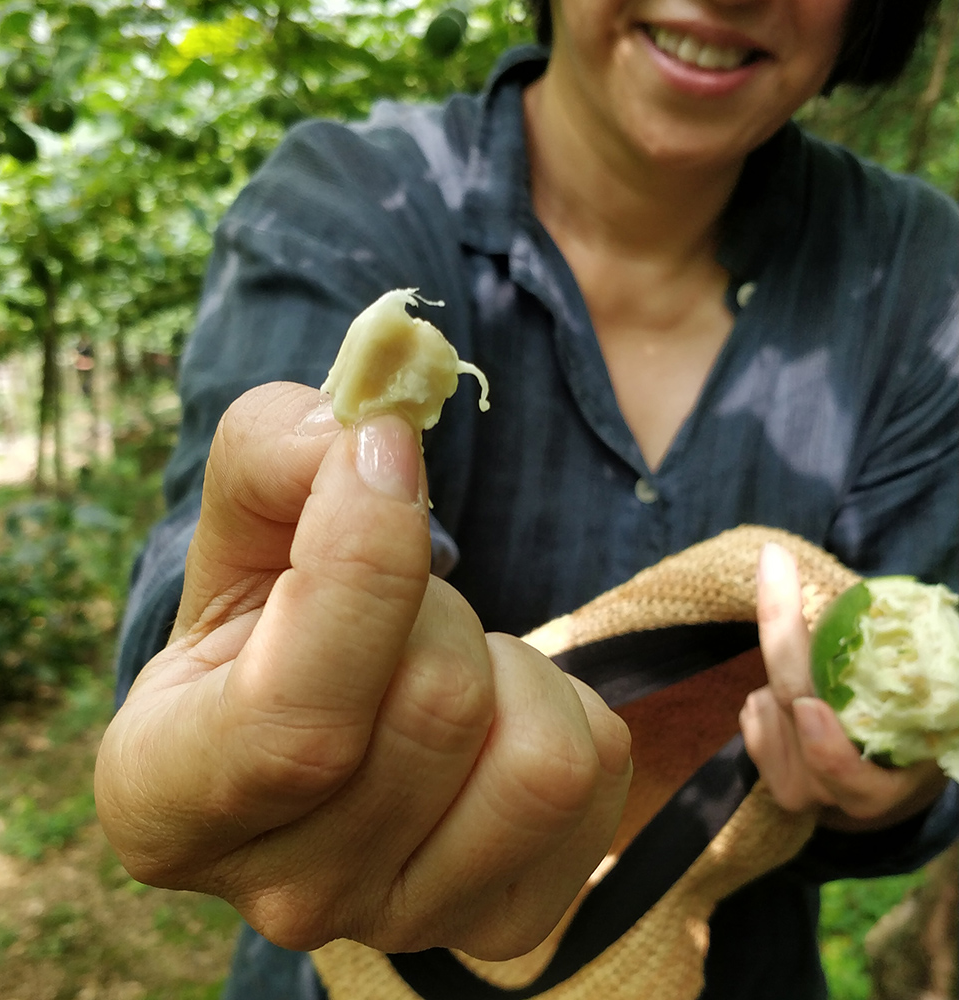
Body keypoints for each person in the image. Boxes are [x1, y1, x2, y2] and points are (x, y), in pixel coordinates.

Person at [95, 0, 959, 996]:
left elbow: (914, 712)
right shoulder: (350, 203)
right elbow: (208, 579)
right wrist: (219, 692)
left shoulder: (920, 282)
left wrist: (884, 782)